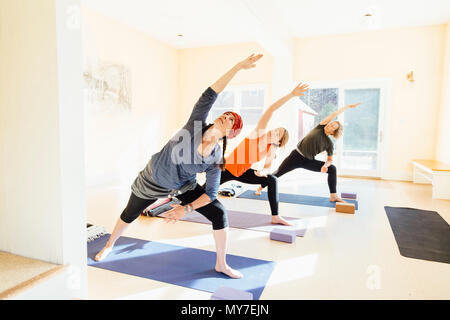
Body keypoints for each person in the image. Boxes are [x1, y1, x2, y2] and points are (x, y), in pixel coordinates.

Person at [94, 54, 263, 279]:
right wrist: (238, 67)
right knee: (129, 213)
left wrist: (186, 209)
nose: (227, 117)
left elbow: (212, 193)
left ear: (231, 133)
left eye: (232, 120)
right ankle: (109, 245)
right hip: (152, 180)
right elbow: (210, 94)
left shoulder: (216, 158)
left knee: (219, 213)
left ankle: (221, 264)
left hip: (182, 185)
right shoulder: (195, 124)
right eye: (226, 114)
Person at [218, 83, 310, 226]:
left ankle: (275, 216)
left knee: (272, 179)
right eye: (275, 129)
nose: (273, 131)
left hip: (241, 173)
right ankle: (181, 202)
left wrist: (263, 172)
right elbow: (271, 110)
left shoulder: (271, 148)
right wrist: (291, 95)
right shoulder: (258, 133)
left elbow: (267, 167)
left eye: (277, 134)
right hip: (225, 168)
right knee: (203, 192)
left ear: (278, 142)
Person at [255, 102, 361, 203]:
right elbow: (334, 114)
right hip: (296, 156)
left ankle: (333, 195)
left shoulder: (329, 144)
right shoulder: (320, 127)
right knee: (278, 173)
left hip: (308, 161)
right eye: (331, 123)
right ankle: (260, 187)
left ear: (334, 132)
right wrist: (347, 107)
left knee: (332, 168)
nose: (330, 125)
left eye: (333, 126)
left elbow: (329, 160)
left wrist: (326, 165)